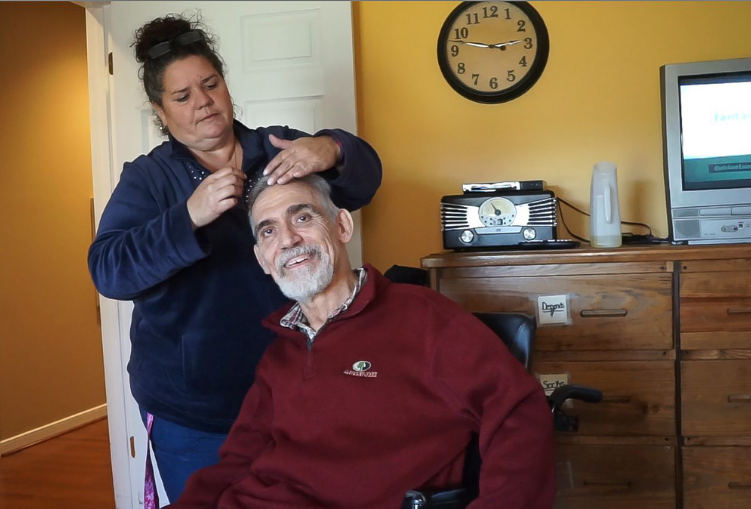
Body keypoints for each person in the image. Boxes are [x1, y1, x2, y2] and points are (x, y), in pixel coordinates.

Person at [87, 14, 382, 502]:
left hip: (299, 390)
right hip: (194, 413)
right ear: (161, 113)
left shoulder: (276, 147)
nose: (202, 102)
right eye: (182, 97)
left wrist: (329, 149)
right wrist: (189, 216)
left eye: (210, 84)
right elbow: (109, 270)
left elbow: (365, 180)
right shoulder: (147, 180)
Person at [169, 174, 556, 508]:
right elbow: (237, 461)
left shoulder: (423, 318)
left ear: (341, 227)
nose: (287, 240)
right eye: (268, 231)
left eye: (302, 217)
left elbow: (518, 413)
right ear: (262, 259)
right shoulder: (279, 353)